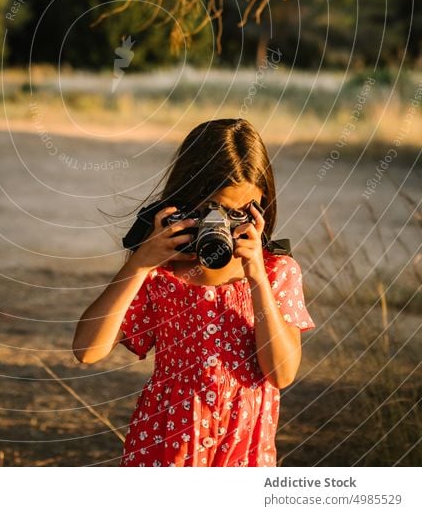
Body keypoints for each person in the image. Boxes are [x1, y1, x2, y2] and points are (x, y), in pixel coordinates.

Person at [73, 118, 315, 467]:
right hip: (164, 448)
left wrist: (257, 278)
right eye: (210, 210)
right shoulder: (158, 273)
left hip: (244, 452)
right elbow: (87, 350)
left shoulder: (276, 272)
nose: (221, 224)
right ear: (185, 200)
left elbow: (282, 374)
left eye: (238, 212)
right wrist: (139, 264)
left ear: (261, 205)